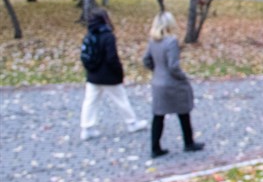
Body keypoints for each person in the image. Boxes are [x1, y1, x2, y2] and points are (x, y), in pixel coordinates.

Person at [143, 11, 204, 158]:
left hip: (158, 82)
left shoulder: (153, 41)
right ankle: (189, 143)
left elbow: (146, 60)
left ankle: (155, 147)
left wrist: (157, 71)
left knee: (158, 116)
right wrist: (183, 77)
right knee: (183, 112)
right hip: (173, 83)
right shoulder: (171, 42)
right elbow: (173, 66)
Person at [80, 8, 147, 140]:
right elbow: (112, 58)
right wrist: (119, 73)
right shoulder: (108, 36)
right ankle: (131, 122)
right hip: (109, 76)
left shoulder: (89, 35)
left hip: (93, 75)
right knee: (121, 99)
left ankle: (86, 127)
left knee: (90, 101)